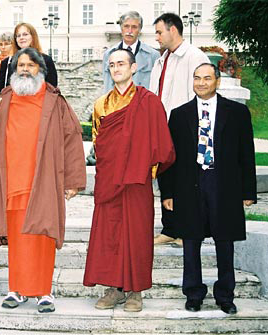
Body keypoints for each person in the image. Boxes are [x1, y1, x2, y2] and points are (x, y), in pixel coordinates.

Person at [0, 47, 86, 313]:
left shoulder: (55, 101)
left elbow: (72, 139)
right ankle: (16, 289)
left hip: (43, 181)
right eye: (20, 65)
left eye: (31, 65)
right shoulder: (3, 98)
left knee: (42, 236)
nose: (25, 69)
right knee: (17, 238)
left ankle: (44, 292)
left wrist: (72, 180)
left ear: (41, 70)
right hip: (10, 181)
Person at [158, 63, 256, 315]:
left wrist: (248, 192)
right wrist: (167, 193)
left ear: (217, 81)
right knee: (191, 241)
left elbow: (247, 153)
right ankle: (193, 293)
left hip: (224, 185)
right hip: (189, 186)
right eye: (197, 78)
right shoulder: (179, 114)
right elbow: (170, 157)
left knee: (225, 241)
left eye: (207, 78)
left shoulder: (236, 113)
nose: (201, 83)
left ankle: (225, 295)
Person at [83, 49, 175, 312]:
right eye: (111, 65)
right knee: (109, 234)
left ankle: (135, 291)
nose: (116, 68)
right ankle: (113, 289)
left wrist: (146, 169)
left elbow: (163, 146)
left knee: (137, 234)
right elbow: (99, 143)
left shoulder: (149, 101)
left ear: (134, 68)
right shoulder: (101, 104)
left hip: (137, 180)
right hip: (110, 179)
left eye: (121, 63)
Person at [149, 13, 209, 245]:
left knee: (187, 179)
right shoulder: (162, 60)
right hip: (161, 127)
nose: (157, 37)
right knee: (167, 177)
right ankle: (170, 228)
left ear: (173, 30)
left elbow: (203, 90)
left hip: (185, 127)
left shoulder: (194, 56)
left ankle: (187, 229)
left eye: (159, 32)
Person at [0, 23, 58, 95]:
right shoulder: (7, 62)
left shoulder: (46, 60)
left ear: (33, 37)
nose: (21, 37)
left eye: (25, 34)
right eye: (18, 35)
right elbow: (0, 89)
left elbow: (52, 88)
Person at [103, 11, 160, 91]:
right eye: (126, 26)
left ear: (140, 30)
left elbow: (157, 87)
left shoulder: (153, 55)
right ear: (121, 28)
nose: (129, 31)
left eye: (134, 27)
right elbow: (107, 86)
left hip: (143, 102)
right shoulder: (109, 54)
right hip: (117, 102)